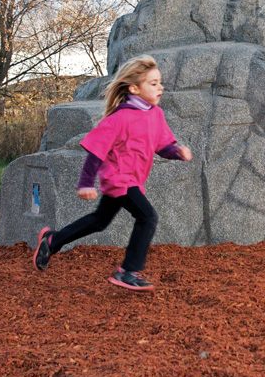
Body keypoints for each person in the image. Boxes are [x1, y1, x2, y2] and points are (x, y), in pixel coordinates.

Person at [32, 55, 192, 291]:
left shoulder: (155, 114)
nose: (160, 87)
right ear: (134, 88)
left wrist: (176, 152)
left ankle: (53, 241)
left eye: (160, 82)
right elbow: (96, 152)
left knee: (99, 221)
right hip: (119, 179)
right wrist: (86, 183)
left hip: (133, 180)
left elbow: (161, 146)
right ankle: (128, 272)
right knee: (147, 217)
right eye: (153, 83)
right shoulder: (119, 119)